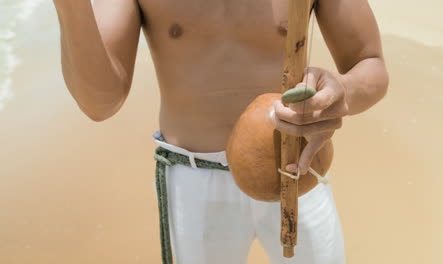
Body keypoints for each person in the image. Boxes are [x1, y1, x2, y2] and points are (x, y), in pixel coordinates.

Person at [53, 0, 388, 263]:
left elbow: (370, 64)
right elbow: (100, 103)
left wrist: (342, 91)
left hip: (300, 170)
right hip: (194, 178)